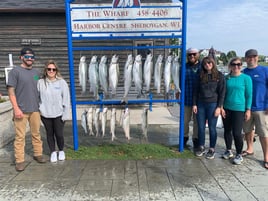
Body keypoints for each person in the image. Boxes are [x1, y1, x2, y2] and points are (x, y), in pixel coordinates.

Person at [7, 47, 46, 172]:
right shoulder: (15, 72)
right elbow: (11, 91)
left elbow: (38, 87)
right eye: (27, 57)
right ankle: (19, 161)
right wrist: (16, 108)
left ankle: (38, 154)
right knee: (20, 137)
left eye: (32, 57)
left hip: (35, 109)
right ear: (21, 57)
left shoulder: (36, 73)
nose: (30, 59)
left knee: (36, 134)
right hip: (21, 110)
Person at [193, 56, 225, 159]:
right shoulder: (200, 75)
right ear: (203, 65)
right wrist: (194, 104)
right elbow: (195, 91)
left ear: (213, 63)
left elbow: (222, 92)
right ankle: (201, 147)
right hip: (201, 104)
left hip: (213, 105)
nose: (208, 65)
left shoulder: (219, 75)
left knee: (212, 128)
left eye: (209, 63)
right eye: (205, 63)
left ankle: (212, 148)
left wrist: (219, 107)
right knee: (201, 128)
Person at [37, 60, 70, 163]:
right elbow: (37, 96)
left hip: (58, 114)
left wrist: (65, 114)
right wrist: (39, 110)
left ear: (56, 71)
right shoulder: (40, 82)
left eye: (53, 69)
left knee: (59, 134)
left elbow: (66, 98)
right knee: (49, 134)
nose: (51, 71)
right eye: (49, 69)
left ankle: (61, 150)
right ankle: (52, 152)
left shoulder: (61, 82)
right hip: (45, 114)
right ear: (45, 70)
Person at [221, 57, 252, 165]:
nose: (236, 66)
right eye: (233, 64)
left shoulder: (246, 78)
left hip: (239, 109)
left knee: (237, 133)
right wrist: (221, 107)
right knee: (227, 131)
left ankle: (239, 153)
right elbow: (222, 94)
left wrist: (248, 110)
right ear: (230, 66)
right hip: (227, 108)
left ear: (241, 65)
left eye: (238, 64)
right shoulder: (226, 78)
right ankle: (228, 150)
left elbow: (249, 95)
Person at [242, 49, 268, 169]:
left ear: (257, 57)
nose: (251, 58)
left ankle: (266, 156)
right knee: (248, 130)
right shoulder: (243, 72)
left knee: (263, 132)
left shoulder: (265, 70)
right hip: (247, 107)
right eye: (249, 57)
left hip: (261, 107)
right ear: (246, 59)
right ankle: (250, 148)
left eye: (254, 56)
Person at [179, 48, 200, 151]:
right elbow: (179, 82)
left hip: (199, 100)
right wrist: (178, 93)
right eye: (189, 54)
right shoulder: (183, 67)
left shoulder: (203, 66)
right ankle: (184, 138)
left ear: (198, 55)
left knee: (197, 121)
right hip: (186, 98)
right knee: (185, 120)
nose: (192, 56)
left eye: (194, 54)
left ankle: (196, 140)